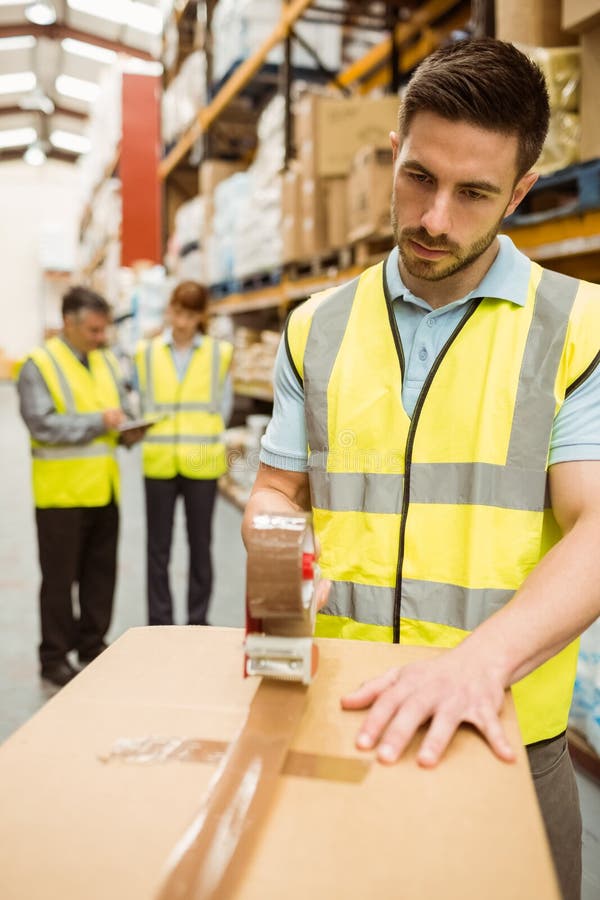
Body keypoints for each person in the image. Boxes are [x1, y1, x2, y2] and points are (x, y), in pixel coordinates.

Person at [242, 38, 600, 900]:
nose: (434, 218)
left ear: (519, 193)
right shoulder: (316, 326)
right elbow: (278, 489)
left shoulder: (576, 328)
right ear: (395, 155)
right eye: (417, 177)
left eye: (473, 192)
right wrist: (277, 571)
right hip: (335, 718)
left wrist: (479, 664)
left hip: (505, 736)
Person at [17, 286, 139, 688]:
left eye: (103, 330)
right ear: (68, 323)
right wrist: (98, 423)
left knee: (100, 575)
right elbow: (42, 424)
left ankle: (91, 645)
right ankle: (53, 657)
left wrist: (128, 429)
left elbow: (117, 411)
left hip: (103, 489)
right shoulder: (39, 364)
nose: (101, 337)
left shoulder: (104, 361)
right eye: (93, 330)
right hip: (61, 495)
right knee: (59, 579)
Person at [134, 281, 233, 627]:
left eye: (190, 315)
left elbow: (224, 404)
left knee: (200, 547)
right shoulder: (144, 353)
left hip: (201, 462)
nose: (181, 321)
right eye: (177, 311)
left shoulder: (219, 354)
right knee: (157, 549)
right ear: (169, 309)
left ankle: (197, 621)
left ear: (200, 316)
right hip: (159, 462)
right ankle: (160, 621)